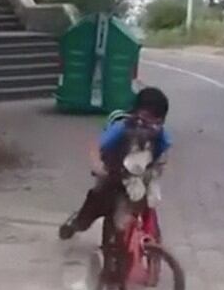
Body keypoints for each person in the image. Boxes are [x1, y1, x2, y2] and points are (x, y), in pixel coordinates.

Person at [58, 86, 172, 241]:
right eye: (147, 116)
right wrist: (97, 165)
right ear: (136, 112)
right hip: (114, 172)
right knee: (98, 199)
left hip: (140, 176)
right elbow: (96, 146)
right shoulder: (122, 128)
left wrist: (157, 169)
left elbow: (163, 155)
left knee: (147, 202)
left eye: (156, 119)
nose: (151, 123)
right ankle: (78, 222)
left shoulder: (161, 136)